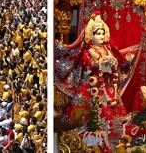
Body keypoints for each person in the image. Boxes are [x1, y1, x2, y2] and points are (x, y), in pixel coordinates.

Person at [56, 11, 130, 151]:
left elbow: (115, 65)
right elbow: (88, 64)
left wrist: (112, 61)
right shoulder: (88, 50)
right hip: (93, 86)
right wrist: (100, 63)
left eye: (102, 33)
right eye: (97, 33)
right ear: (91, 35)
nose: (101, 36)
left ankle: (117, 140)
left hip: (109, 88)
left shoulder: (108, 48)